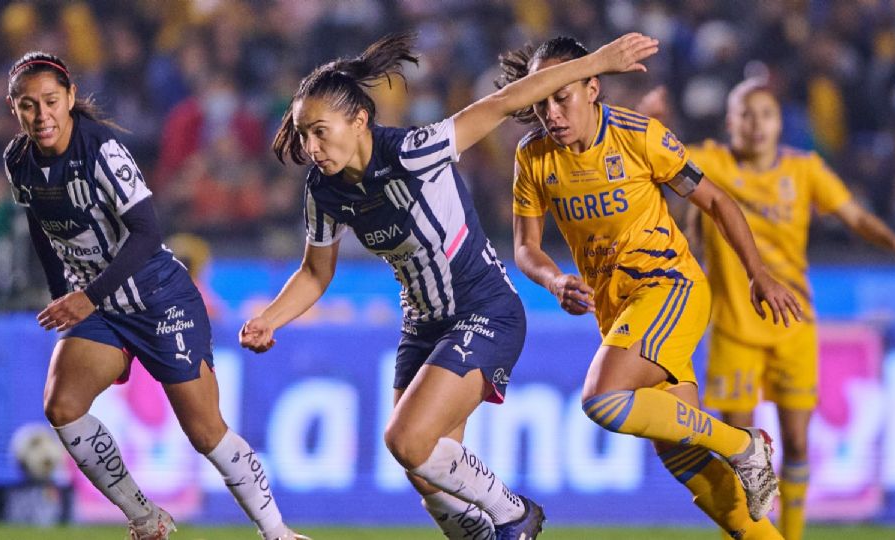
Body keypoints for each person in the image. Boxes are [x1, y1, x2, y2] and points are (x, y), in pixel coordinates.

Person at [239, 31, 660, 540]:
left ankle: (513, 514)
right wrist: (269, 319)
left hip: (483, 310)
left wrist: (596, 61)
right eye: (304, 135)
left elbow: (504, 102)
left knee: (406, 440)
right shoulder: (322, 190)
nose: (310, 147)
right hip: (422, 325)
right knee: (426, 473)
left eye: (320, 132)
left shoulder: (415, 151)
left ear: (359, 120)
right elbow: (314, 273)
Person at [500, 37, 803, 539]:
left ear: (593, 88)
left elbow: (718, 203)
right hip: (619, 313)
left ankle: (743, 444)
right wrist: (555, 280)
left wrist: (759, 274)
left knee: (603, 400)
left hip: (671, 288)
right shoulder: (532, 157)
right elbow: (526, 248)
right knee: (687, 458)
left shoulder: (640, 136)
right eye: (541, 100)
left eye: (562, 96)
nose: (550, 112)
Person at [3, 52, 307, 540]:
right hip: (98, 306)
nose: (42, 116)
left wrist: (87, 296)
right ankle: (146, 517)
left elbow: (147, 232)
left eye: (51, 102)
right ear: (13, 108)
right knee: (62, 407)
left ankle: (278, 533)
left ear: (71, 98)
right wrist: (66, 297)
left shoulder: (101, 150)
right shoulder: (18, 161)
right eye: (28, 106)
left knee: (206, 431)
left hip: (158, 298)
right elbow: (42, 230)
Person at [639, 78, 895, 540]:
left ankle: (793, 535)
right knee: (739, 449)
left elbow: (856, 217)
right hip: (734, 328)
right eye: (746, 113)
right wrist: (652, 118)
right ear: (730, 122)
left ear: (780, 123)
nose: (756, 123)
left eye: (766, 114)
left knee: (797, 443)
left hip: (793, 327)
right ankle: (742, 535)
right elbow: (659, 157)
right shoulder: (714, 161)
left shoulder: (804, 169)